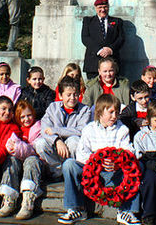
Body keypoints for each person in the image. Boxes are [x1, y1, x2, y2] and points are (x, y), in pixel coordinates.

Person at [58, 94, 141, 225]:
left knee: (137, 165)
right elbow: (81, 154)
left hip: (114, 171)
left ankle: (126, 211)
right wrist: (97, 162)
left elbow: (129, 151)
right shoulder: (89, 129)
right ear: (100, 112)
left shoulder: (122, 129)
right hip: (93, 172)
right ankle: (76, 209)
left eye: (117, 112)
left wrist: (117, 163)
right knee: (69, 165)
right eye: (111, 112)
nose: (114, 116)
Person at [33, 76, 93, 178]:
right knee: (40, 143)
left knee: (74, 141)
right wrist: (57, 140)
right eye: (68, 95)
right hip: (55, 145)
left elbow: (81, 130)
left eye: (75, 95)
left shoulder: (85, 110)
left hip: (71, 147)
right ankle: (58, 170)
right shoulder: (53, 107)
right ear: (61, 95)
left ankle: (72, 171)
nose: (72, 98)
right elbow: (45, 129)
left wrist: (56, 131)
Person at [0, 100, 43, 219]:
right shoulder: (15, 129)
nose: (26, 119)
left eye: (29, 115)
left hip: (36, 165)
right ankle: (9, 198)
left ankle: (28, 200)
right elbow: (9, 145)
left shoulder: (39, 127)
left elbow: (35, 149)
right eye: (22, 117)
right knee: (11, 159)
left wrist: (19, 147)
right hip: (19, 164)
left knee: (31, 159)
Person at [81, 0, 125, 79]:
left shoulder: (117, 21)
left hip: (112, 65)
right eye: (100, 7)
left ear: (108, 7)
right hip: (93, 65)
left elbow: (121, 38)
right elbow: (85, 38)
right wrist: (99, 50)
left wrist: (110, 49)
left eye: (105, 7)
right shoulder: (88, 21)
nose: (103, 10)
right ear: (95, 8)